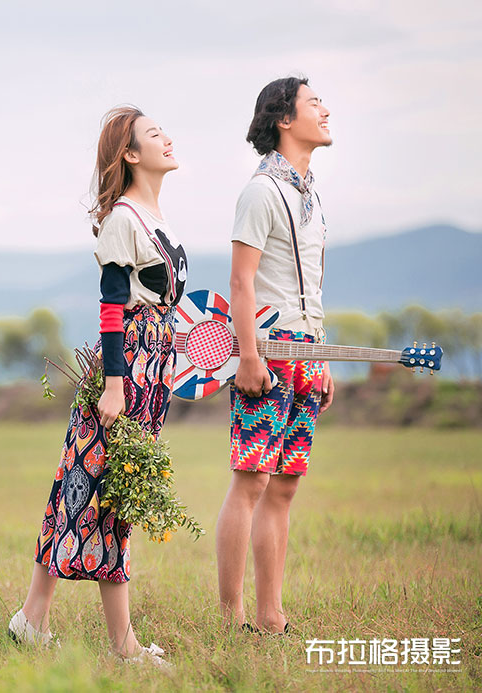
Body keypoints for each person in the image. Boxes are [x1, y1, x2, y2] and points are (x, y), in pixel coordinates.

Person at [8, 105, 187, 666]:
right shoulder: (123, 220)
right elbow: (113, 310)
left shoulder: (157, 221)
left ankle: (30, 620)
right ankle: (123, 646)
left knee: (81, 485)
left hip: (151, 368)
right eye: (155, 134)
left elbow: (166, 308)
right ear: (130, 154)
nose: (168, 138)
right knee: (114, 494)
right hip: (126, 368)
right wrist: (115, 386)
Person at [215, 76, 335, 634]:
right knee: (252, 480)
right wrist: (247, 357)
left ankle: (270, 616)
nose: (326, 110)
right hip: (265, 351)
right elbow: (242, 282)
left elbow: (311, 283)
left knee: (284, 485)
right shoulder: (261, 190)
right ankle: (231, 614)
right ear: (285, 119)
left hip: (308, 352)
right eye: (315, 102)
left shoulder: (309, 194)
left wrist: (325, 356)